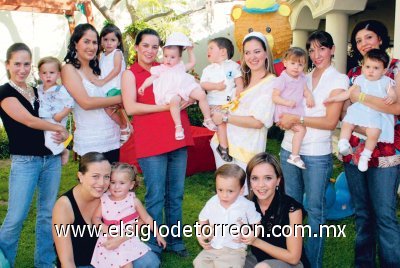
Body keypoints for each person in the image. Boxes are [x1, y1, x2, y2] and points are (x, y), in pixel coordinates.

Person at [277, 31, 349, 268]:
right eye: (312, 50)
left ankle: (312, 263)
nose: (316, 55)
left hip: (317, 154)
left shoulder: (339, 80)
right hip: (290, 148)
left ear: (332, 49)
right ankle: (292, 259)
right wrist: (283, 119)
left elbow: (330, 122)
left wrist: (297, 120)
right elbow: (283, 103)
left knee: (315, 211)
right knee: (292, 206)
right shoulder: (302, 76)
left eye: (322, 49)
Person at [121, 28, 194, 257]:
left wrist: (190, 98)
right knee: (155, 195)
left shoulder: (171, 67)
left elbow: (190, 90)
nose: (151, 51)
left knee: (176, 193)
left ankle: (175, 240)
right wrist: (165, 107)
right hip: (151, 142)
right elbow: (131, 107)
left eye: (155, 47)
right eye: (145, 45)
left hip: (177, 137)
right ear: (136, 47)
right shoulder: (131, 74)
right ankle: (154, 244)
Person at [0, 43, 68, 267]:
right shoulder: (5, 92)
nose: (22, 69)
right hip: (25, 162)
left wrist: (63, 146)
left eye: (27, 64)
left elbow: (51, 119)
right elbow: (29, 121)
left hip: (50, 160)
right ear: (7, 65)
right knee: (15, 218)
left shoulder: (37, 90)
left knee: (48, 215)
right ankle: (4, 262)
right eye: (17, 64)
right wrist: (60, 130)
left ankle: (45, 263)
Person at [342, 20, 400, 267]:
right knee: (363, 215)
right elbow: (346, 110)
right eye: (358, 40)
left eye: (368, 38)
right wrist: (359, 125)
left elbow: (396, 107)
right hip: (355, 151)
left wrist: (361, 97)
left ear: (380, 40)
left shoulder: (395, 70)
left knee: (384, 216)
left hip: (386, 153)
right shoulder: (354, 73)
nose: (363, 44)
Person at [53, 152, 160, 267]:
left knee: (150, 262)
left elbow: (141, 220)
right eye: (95, 176)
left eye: (106, 177)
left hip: (112, 255)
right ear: (81, 176)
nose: (102, 183)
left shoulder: (109, 194)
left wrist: (120, 238)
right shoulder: (64, 206)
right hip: (81, 264)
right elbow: (67, 262)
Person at [210, 31, 276, 195]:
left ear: (266, 53)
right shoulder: (242, 80)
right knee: (227, 198)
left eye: (257, 51)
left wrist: (225, 117)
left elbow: (258, 121)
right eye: (247, 52)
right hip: (224, 147)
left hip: (244, 153)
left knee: (242, 200)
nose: (252, 56)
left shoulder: (271, 83)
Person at [325, 49, 396, 171]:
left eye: (376, 68)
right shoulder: (359, 80)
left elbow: (393, 94)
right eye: (367, 66)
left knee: (374, 133)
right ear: (362, 66)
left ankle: (365, 156)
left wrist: (391, 97)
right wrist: (334, 98)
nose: (371, 71)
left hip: (375, 114)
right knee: (347, 123)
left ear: (384, 70)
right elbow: (348, 93)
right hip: (359, 111)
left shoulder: (386, 82)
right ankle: (343, 142)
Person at [137, 32, 217, 140]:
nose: (168, 60)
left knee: (201, 94)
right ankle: (178, 126)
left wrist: (190, 50)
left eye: (172, 57)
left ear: (179, 58)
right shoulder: (161, 68)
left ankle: (207, 119)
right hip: (170, 92)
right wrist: (143, 86)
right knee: (174, 102)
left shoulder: (180, 66)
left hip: (184, 88)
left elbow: (192, 62)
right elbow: (151, 78)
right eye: (166, 56)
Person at [61, 23, 122, 163]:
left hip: (112, 136)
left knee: (113, 183)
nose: (92, 46)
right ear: (76, 43)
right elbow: (86, 103)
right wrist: (121, 98)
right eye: (86, 41)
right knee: (94, 183)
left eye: (95, 42)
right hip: (91, 141)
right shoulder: (69, 69)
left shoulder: (99, 68)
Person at [91, 162, 166, 268]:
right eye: (113, 182)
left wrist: (158, 234)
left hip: (128, 239)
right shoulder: (104, 200)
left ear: (131, 185)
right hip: (109, 238)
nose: (116, 187)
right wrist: (105, 228)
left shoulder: (133, 201)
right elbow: (95, 218)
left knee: (127, 263)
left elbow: (147, 218)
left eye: (122, 183)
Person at [242, 152, 303, 268]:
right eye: (255, 178)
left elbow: (293, 258)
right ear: (249, 181)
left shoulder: (292, 209)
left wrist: (255, 241)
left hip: (287, 263)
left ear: (278, 180)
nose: (261, 185)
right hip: (256, 259)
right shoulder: (245, 204)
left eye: (268, 178)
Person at [193, 164, 261, 268]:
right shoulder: (212, 202)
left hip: (235, 249)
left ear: (241, 189)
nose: (224, 195)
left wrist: (252, 235)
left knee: (227, 265)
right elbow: (202, 220)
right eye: (220, 190)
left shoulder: (246, 205)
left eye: (230, 191)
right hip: (213, 247)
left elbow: (256, 223)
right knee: (199, 263)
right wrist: (200, 235)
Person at [200, 37, 244, 162]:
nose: (207, 51)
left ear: (223, 52)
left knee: (232, 124)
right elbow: (203, 84)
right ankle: (223, 147)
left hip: (230, 103)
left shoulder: (234, 66)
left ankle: (232, 147)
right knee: (222, 124)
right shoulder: (208, 69)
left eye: (211, 48)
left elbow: (239, 82)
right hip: (214, 104)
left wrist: (239, 94)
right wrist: (215, 86)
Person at [272, 47, 314, 169]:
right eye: (293, 63)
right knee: (301, 130)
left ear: (304, 65)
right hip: (284, 113)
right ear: (285, 63)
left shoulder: (302, 78)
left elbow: (305, 90)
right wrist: (286, 102)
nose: (296, 67)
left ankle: (290, 152)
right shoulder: (282, 79)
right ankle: (294, 156)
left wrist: (310, 96)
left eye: (300, 64)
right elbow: (274, 97)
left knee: (300, 129)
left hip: (295, 111)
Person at [91, 23, 131, 145]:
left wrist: (102, 81)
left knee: (109, 108)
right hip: (106, 88)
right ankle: (123, 126)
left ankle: (124, 127)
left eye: (112, 40)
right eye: (105, 40)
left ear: (118, 42)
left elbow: (116, 69)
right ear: (101, 41)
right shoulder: (102, 55)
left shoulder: (117, 53)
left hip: (116, 86)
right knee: (109, 109)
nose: (109, 43)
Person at [37, 56, 74, 165]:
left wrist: (61, 115)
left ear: (58, 74)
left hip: (56, 119)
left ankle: (64, 151)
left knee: (51, 141)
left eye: (52, 73)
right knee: (44, 140)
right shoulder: (39, 89)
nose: (48, 76)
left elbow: (70, 104)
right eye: (44, 73)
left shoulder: (60, 90)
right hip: (44, 119)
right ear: (39, 74)